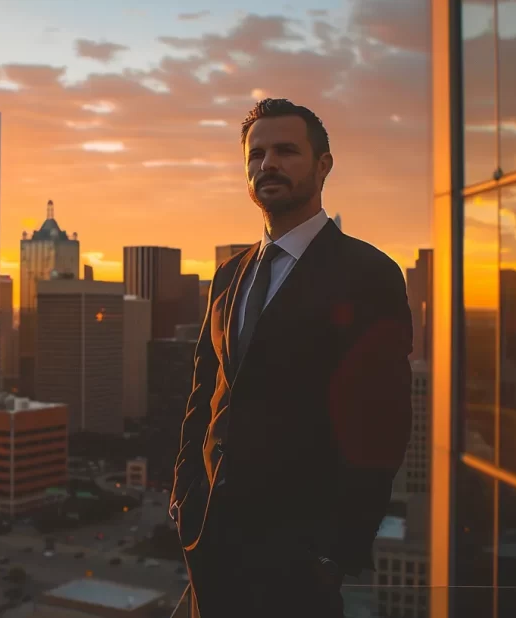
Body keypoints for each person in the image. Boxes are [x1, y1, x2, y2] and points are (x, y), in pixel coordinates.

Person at [168, 99, 413, 617]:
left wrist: (333, 554)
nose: (267, 165)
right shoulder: (229, 274)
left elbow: (382, 425)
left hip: (297, 560)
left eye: (285, 151)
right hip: (211, 539)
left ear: (323, 164)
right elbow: (204, 394)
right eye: (256, 155)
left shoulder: (368, 274)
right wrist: (185, 498)